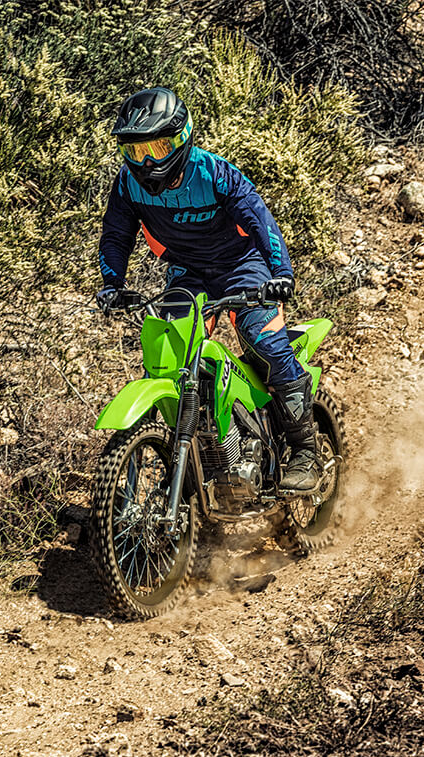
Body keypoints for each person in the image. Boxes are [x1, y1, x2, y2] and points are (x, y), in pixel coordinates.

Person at [94, 86, 321, 491]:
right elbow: (116, 234)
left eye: (158, 148)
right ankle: (200, 457)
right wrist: (112, 283)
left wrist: (280, 274)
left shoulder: (216, 174)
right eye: (135, 152)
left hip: (242, 266)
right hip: (188, 273)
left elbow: (260, 220)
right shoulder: (128, 185)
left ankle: (305, 449)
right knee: (172, 355)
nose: (146, 162)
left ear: (182, 138)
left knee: (263, 341)